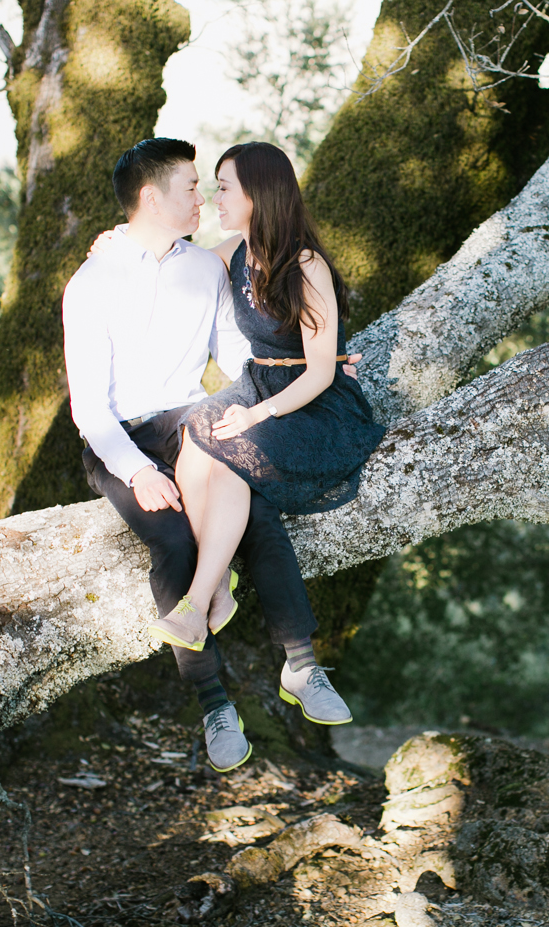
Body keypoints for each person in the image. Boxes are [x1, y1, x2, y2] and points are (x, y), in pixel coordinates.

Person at [63, 137, 358, 774]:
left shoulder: (207, 266)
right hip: (123, 439)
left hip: (190, 422)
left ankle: (303, 666)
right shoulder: (91, 283)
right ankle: (213, 702)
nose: (202, 197)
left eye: (208, 186)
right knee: (173, 539)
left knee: (258, 515)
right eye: (191, 187)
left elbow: (239, 354)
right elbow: (87, 406)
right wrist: (138, 471)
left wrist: (320, 362)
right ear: (151, 197)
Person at [143, 141, 386, 724]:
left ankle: (199, 601)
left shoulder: (306, 265)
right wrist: (117, 244)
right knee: (197, 434)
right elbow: (170, 256)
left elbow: (323, 370)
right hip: (258, 384)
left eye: (225, 187)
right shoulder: (232, 252)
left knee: (226, 447)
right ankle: (223, 594)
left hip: (312, 403)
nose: (216, 199)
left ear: (259, 192)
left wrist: (256, 416)